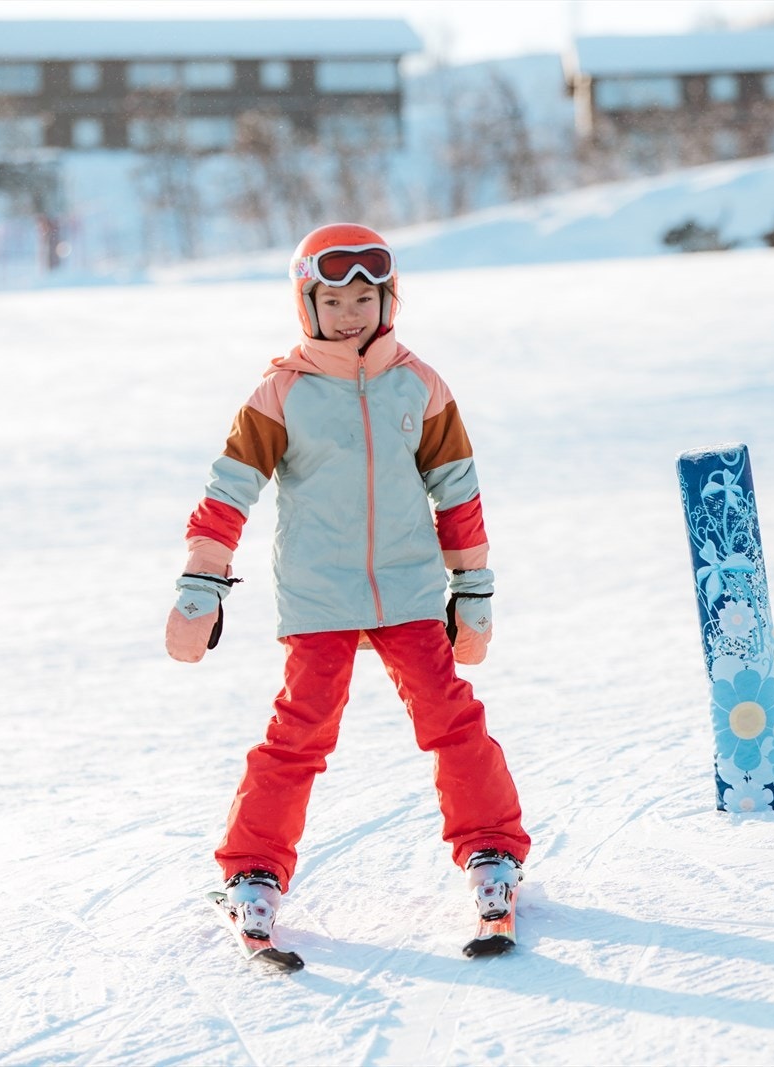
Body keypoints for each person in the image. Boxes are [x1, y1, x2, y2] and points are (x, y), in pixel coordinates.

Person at [166, 222, 531, 945]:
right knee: (299, 731)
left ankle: (491, 848)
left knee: (450, 717)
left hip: (408, 589)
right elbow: (230, 487)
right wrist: (201, 579)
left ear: (388, 298)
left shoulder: (419, 385)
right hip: (319, 594)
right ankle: (253, 869)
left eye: (365, 296)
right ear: (308, 306)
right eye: (333, 299)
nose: (351, 312)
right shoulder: (282, 392)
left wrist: (475, 587)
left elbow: (457, 490)